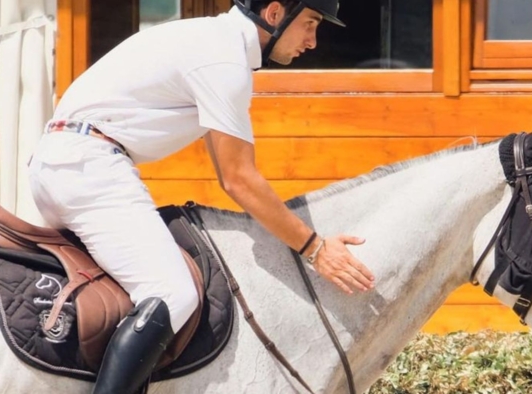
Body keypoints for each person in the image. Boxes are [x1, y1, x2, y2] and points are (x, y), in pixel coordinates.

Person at [26, 1, 376, 393]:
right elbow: (238, 179)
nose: (312, 41)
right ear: (275, 13)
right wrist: (315, 249)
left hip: (63, 163)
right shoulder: (223, 59)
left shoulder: (212, 42)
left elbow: (230, 172)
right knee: (173, 293)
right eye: (310, 24)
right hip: (88, 167)